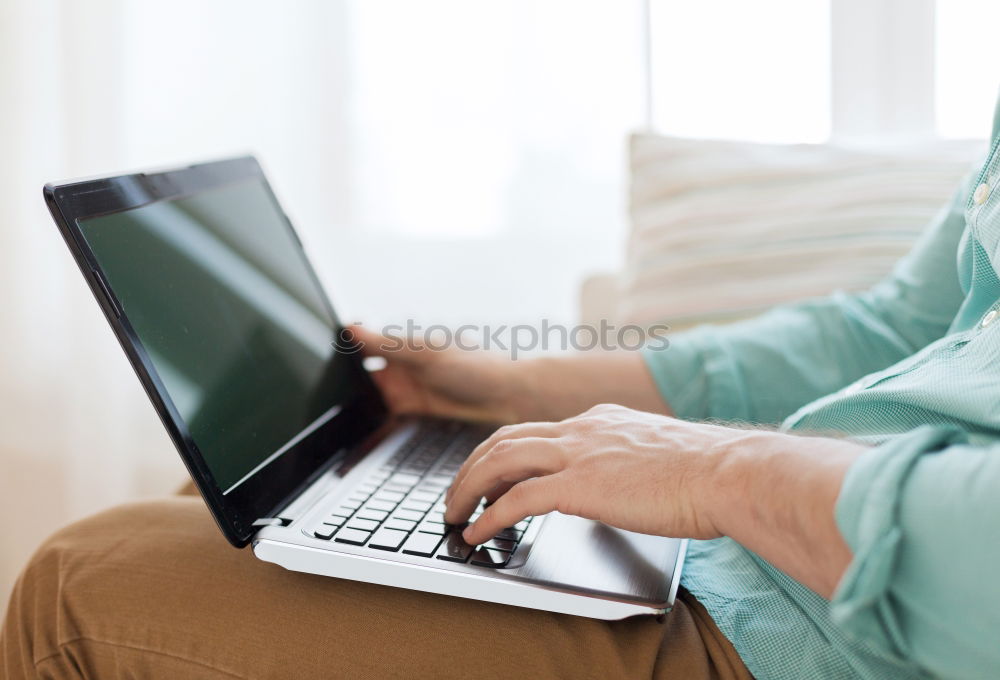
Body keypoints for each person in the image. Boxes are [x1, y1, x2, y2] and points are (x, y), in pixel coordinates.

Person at [5, 99, 1000, 680]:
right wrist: (513, 385)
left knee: (80, 580)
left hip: (840, 634)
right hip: (773, 552)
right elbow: (894, 327)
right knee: (264, 508)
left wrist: (718, 468)